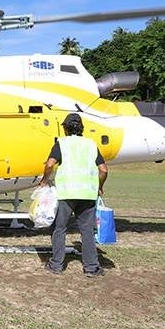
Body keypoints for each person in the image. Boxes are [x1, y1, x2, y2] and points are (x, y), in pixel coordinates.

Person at [39, 112, 109, 277]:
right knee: (87, 231)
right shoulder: (91, 144)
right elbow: (103, 169)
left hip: (66, 193)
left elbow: (50, 164)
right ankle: (91, 267)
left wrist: (44, 179)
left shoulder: (61, 143)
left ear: (65, 128)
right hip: (87, 194)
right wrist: (99, 186)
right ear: (81, 128)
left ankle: (56, 265)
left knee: (59, 228)